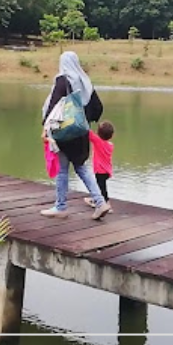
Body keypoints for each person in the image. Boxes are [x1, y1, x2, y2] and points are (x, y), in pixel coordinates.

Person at [39, 51, 111, 220]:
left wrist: (46, 128)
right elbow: (98, 108)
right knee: (81, 167)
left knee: (62, 170)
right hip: (82, 134)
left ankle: (61, 207)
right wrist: (84, 119)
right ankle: (100, 202)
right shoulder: (85, 82)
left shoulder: (63, 80)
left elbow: (53, 106)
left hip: (65, 134)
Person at [84, 121, 115, 211]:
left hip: (100, 171)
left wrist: (84, 122)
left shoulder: (98, 141)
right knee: (99, 186)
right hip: (107, 171)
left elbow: (88, 133)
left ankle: (106, 204)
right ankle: (95, 199)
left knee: (101, 188)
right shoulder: (110, 145)